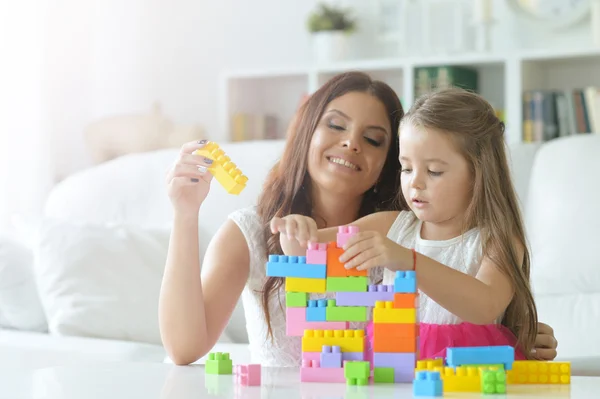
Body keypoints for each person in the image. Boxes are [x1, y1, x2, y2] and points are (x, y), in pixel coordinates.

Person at [159, 72, 558, 366]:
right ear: (305, 132)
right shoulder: (255, 232)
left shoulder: (400, 228)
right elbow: (184, 348)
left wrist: (512, 332)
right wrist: (185, 213)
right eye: (335, 125)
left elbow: (477, 301)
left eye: (373, 139)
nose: (351, 142)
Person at [274, 87, 547, 360]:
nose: (414, 182)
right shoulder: (391, 227)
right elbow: (305, 252)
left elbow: (485, 306)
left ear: (479, 174)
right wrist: (296, 230)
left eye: (434, 171)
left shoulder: (497, 241)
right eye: (406, 168)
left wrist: (408, 261)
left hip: (469, 374)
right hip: (393, 363)